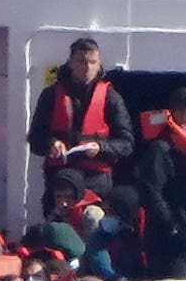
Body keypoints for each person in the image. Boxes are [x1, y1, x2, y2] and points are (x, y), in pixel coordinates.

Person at [119, 88, 186, 281]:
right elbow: (150, 190)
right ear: (177, 114)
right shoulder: (161, 150)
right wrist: (172, 225)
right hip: (168, 243)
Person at [28, 37, 129, 180]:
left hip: (95, 177)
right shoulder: (50, 95)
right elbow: (35, 139)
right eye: (81, 61)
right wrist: (51, 144)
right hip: (60, 176)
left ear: (99, 64)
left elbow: (126, 144)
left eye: (92, 62)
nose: (87, 67)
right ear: (70, 63)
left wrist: (101, 148)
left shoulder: (110, 97)